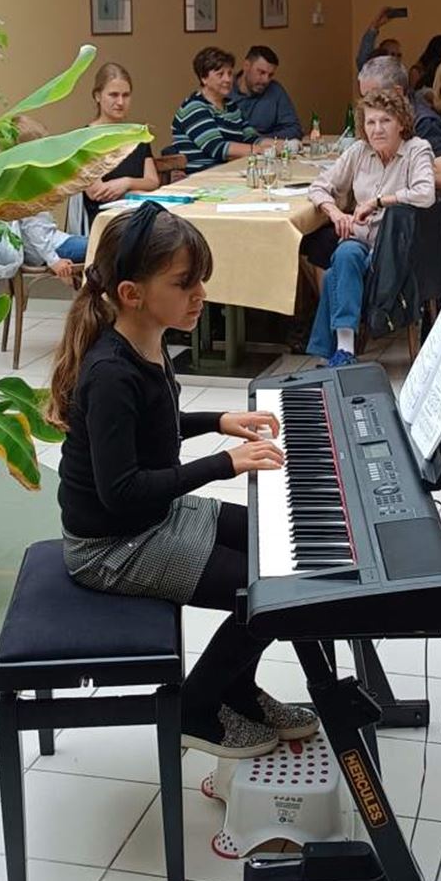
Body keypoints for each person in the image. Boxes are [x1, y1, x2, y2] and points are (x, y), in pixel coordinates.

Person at [47, 204, 318, 758]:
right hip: (112, 546)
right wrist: (225, 463)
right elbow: (121, 491)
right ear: (132, 293)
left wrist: (218, 421)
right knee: (267, 594)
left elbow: (154, 425)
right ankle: (195, 708)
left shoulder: (148, 337)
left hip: (149, 519)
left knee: (276, 545)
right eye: (184, 283)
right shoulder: (110, 373)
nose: (200, 295)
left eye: (201, 280)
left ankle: (236, 688)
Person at [305, 88, 435, 366]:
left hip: (398, 249)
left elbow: (426, 193)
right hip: (361, 239)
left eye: (385, 121)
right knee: (345, 254)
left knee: (335, 273)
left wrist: (378, 201)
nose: (377, 129)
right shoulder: (358, 152)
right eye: (370, 122)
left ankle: (337, 350)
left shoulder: (417, 149)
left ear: (401, 123)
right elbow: (318, 187)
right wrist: (335, 213)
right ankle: (345, 350)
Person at [357, 55, 441, 191]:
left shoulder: (425, 122)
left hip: (416, 201)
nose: (367, 102)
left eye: (373, 95)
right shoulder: (373, 118)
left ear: (398, 92)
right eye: (364, 96)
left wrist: (393, 172)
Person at [170, 47, 275, 172]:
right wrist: (259, 150)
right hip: (203, 175)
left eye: (230, 73)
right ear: (204, 78)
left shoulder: (231, 106)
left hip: (230, 172)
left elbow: (250, 138)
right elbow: (217, 148)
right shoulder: (194, 107)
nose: (228, 79)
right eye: (220, 74)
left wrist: (283, 145)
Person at [82, 63, 159, 228]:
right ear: (97, 96)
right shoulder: (85, 138)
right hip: (107, 222)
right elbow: (96, 192)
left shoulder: (138, 134)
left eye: (126, 95)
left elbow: (153, 181)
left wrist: (126, 183)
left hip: (140, 215)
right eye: (113, 95)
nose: (120, 102)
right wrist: (137, 190)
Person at [11, 116, 88, 275]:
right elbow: (34, 229)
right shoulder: (28, 184)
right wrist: (54, 261)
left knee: (102, 242)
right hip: (49, 248)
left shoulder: (18, 178)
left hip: (50, 243)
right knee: (103, 245)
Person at [228, 45, 302, 140]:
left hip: (266, 145)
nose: (266, 80)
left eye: (270, 75)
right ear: (246, 66)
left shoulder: (275, 90)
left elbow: (294, 129)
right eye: (261, 72)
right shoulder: (224, 88)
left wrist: (261, 140)